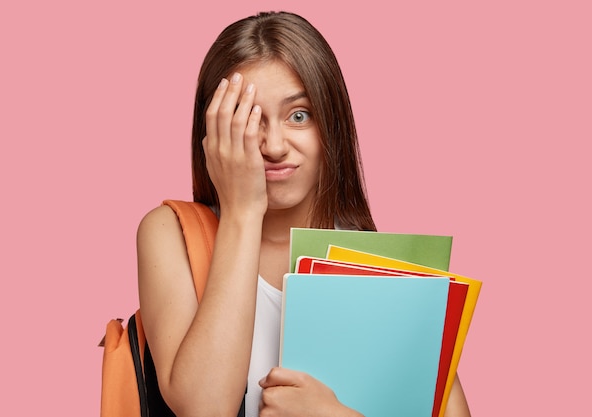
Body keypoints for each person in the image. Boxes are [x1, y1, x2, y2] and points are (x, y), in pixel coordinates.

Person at [137, 11, 471, 417]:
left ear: (331, 124)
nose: (274, 145)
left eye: (299, 115)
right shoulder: (171, 233)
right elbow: (203, 408)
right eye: (250, 120)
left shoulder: (382, 263)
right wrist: (243, 212)